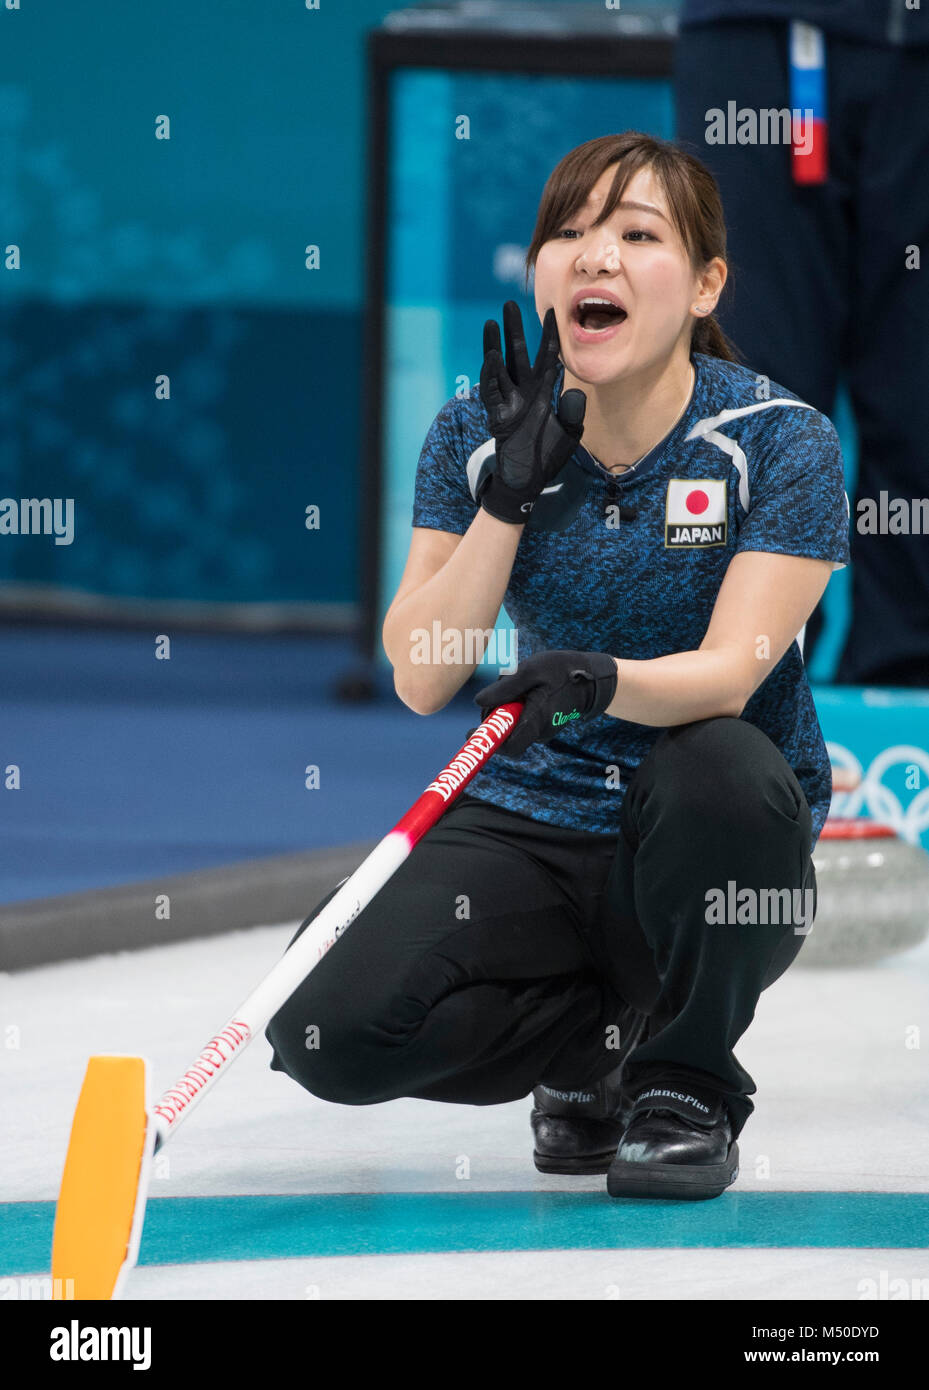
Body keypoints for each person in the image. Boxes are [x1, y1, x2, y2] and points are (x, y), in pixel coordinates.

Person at [265, 131, 850, 1202]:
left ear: (704, 280)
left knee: (718, 761)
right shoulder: (475, 434)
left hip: (708, 820)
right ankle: (595, 1053)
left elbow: (728, 674)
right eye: (569, 232)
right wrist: (506, 498)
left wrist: (598, 682)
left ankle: (685, 1082)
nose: (595, 257)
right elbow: (421, 674)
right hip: (533, 810)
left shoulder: (778, 439)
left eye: (637, 234)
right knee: (318, 1018)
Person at [674, 0, 929, 683]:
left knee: (919, 404)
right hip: (761, 37)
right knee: (751, 398)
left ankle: (904, 708)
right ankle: (730, 698)